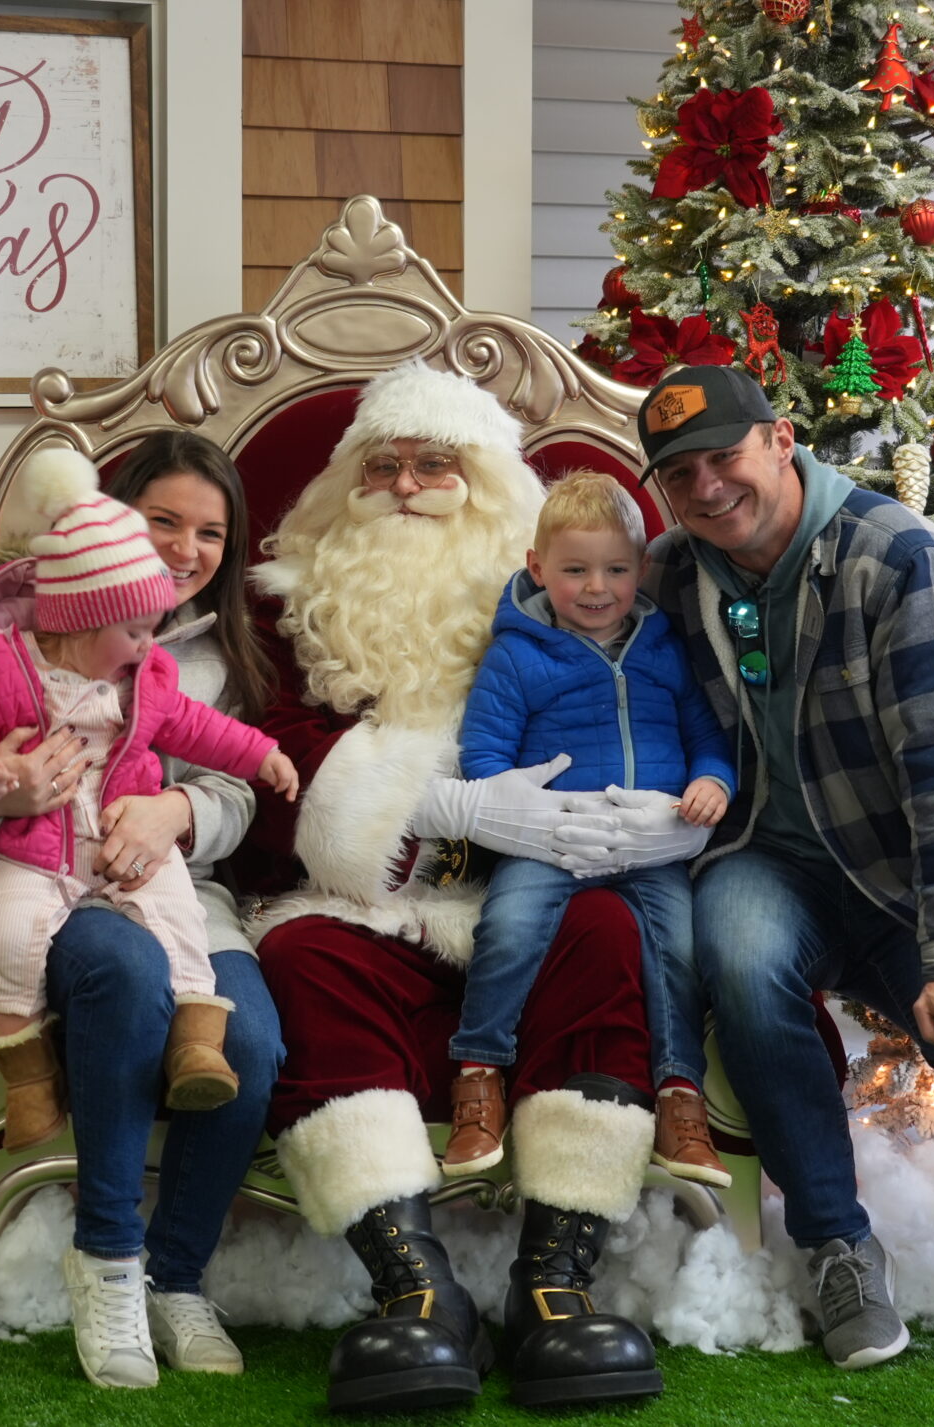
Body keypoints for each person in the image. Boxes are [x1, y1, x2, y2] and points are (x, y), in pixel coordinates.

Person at [635, 363, 934, 1370]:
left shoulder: (898, 557)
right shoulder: (673, 574)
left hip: (900, 870)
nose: (706, 489)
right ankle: (837, 1246)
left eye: (723, 458)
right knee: (738, 957)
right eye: (679, 475)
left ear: (780, 439)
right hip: (764, 857)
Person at [243, 362, 704, 1413]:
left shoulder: (559, 588)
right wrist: (441, 804)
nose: (406, 486)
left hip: (540, 885)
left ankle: (555, 1282)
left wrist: (645, 815)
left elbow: (650, 715)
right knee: (300, 958)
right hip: (367, 899)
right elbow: (269, 750)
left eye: (435, 465)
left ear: (489, 486)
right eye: (383, 467)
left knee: (604, 930)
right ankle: (415, 1287)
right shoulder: (292, 596)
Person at [0, 431, 286, 1390]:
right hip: (31, 878)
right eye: (164, 521)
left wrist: (176, 809)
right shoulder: (9, 626)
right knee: (123, 969)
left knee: (247, 1040)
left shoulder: (210, 653)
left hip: (172, 887)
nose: (186, 548)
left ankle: (175, 1276)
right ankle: (108, 1257)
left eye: (210, 532)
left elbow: (234, 787)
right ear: (113, 515)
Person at [445, 470, 736, 1189]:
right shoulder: (518, 653)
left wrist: (711, 782)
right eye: (575, 570)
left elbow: (707, 735)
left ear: (641, 569)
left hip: (653, 838)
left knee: (679, 948)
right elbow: (483, 754)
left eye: (616, 570)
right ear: (538, 567)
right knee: (507, 927)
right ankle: (479, 1073)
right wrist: (523, 810)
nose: (597, 588)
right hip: (553, 838)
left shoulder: (665, 647)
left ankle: (679, 1094)